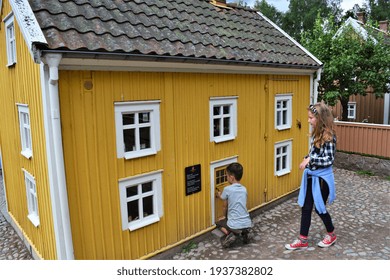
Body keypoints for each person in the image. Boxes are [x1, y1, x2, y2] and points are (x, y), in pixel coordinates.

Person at [285, 102, 337, 250]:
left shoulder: (329, 136)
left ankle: (331, 234)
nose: (308, 121)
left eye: (311, 118)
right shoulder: (317, 133)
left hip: (322, 179)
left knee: (319, 208)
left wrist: (310, 160)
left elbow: (329, 160)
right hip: (311, 176)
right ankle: (303, 239)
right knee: (306, 207)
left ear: (320, 118)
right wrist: (306, 157)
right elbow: (314, 154)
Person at [216, 162, 252, 248]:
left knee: (218, 223)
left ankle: (231, 234)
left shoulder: (227, 189)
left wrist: (218, 195)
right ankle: (244, 232)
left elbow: (224, 203)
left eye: (227, 176)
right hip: (247, 222)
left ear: (231, 177)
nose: (226, 177)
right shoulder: (244, 189)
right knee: (241, 222)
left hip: (234, 224)